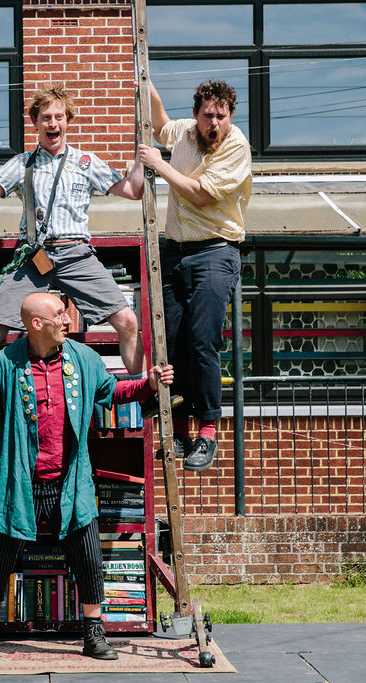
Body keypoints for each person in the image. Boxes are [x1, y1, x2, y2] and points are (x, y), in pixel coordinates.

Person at [0, 292, 173, 660]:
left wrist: (150, 384)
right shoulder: (6, 362)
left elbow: (114, 392)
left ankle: (94, 634)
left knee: (89, 559)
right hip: (19, 482)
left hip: (70, 481)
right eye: (59, 314)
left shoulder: (84, 359)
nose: (68, 321)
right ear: (36, 323)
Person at [0, 85, 147, 397]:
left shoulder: (86, 161)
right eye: (45, 117)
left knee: (127, 320)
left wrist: (141, 153)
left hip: (76, 253)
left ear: (68, 121)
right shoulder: (22, 163)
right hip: (34, 257)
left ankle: (142, 392)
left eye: (59, 116)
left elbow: (133, 191)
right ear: (35, 122)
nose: (52, 123)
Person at [136, 79, 252, 472]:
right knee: (171, 341)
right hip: (175, 252)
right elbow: (159, 122)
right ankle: (181, 432)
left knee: (202, 340)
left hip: (215, 251)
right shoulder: (184, 133)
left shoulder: (236, 145)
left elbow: (200, 193)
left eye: (221, 116)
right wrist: (147, 82)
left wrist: (160, 165)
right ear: (197, 113)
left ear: (230, 116)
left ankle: (207, 431)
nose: (213, 123)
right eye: (207, 115)